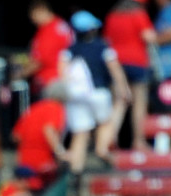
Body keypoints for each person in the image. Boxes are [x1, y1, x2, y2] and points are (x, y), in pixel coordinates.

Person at [61, 11, 131, 174]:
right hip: (98, 92)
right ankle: (102, 149)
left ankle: (76, 171)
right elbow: (114, 68)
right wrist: (124, 88)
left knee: (80, 133)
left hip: (76, 96)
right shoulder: (102, 47)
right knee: (105, 123)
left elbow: (63, 73)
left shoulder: (69, 50)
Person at [102, 0, 157, 152]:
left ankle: (110, 138)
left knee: (119, 101)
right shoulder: (139, 14)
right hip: (137, 61)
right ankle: (139, 141)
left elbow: (107, 40)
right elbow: (148, 37)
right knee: (140, 103)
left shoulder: (112, 16)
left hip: (116, 62)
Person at [22, 0, 73, 100]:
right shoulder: (60, 24)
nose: (33, 21)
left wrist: (20, 74)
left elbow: (40, 60)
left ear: (41, 11)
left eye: (33, 16)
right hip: (63, 79)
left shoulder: (50, 30)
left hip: (51, 82)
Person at [11, 96, 67, 186]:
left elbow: (16, 136)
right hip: (43, 162)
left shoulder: (34, 108)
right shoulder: (55, 107)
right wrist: (61, 153)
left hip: (24, 161)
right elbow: (48, 130)